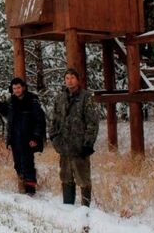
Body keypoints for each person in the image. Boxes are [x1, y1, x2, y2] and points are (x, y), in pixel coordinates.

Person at [48, 69, 100, 207]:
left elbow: (92, 122)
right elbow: (54, 120)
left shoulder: (86, 97)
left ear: (77, 80)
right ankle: (68, 208)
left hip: (80, 146)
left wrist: (88, 144)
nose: (69, 80)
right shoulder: (60, 98)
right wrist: (53, 137)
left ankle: (85, 209)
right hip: (64, 146)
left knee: (83, 179)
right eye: (67, 78)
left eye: (72, 77)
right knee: (65, 178)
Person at [0, 77, 46, 196]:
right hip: (15, 138)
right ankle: (22, 189)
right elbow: (6, 112)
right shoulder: (11, 101)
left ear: (23, 88)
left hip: (28, 138)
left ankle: (31, 191)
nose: (16, 90)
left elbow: (40, 120)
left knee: (28, 164)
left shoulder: (32, 100)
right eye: (14, 88)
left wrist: (35, 137)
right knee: (18, 164)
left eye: (18, 87)